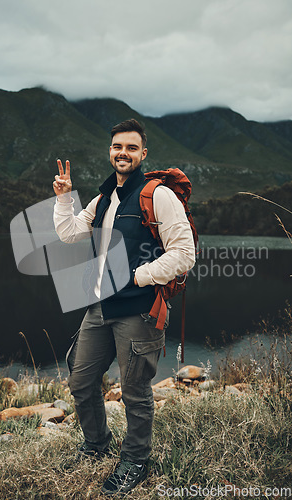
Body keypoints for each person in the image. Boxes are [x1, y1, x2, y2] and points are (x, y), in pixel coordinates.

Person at [53, 118, 195, 495]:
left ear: (143, 154)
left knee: (134, 392)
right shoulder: (103, 199)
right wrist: (64, 196)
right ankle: (96, 446)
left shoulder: (157, 195)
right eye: (118, 146)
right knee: (81, 380)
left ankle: (134, 461)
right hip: (99, 306)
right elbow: (68, 234)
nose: (123, 153)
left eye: (132, 148)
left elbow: (184, 254)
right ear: (110, 151)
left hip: (139, 311)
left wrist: (139, 276)